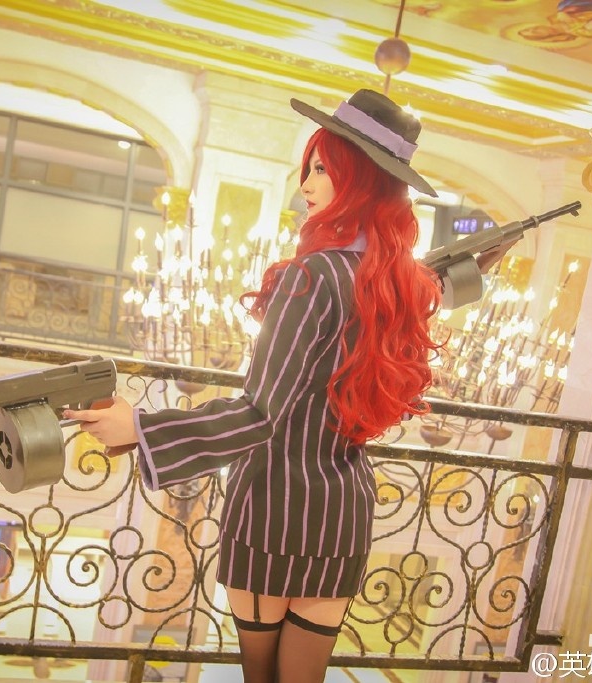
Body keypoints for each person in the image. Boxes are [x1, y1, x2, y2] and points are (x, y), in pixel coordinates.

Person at [65, 89, 511, 683]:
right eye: (310, 167)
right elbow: (417, 313)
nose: (307, 183)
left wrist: (141, 427)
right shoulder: (397, 282)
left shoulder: (315, 275)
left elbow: (259, 415)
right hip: (342, 508)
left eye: (322, 168)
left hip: (273, 503)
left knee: (263, 676)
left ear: (358, 180)